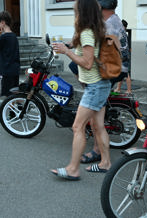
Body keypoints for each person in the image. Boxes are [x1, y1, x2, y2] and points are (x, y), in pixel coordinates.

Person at [51, 0, 111, 180]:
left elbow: (87, 63)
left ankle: (73, 169)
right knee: (98, 126)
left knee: (78, 126)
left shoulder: (86, 33)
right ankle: (106, 163)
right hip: (99, 85)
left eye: (75, 10)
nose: (74, 13)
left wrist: (66, 52)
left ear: (81, 12)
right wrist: (69, 47)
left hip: (95, 87)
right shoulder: (92, 30)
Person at [79, 0, 131, 164]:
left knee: (95, 114)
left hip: (112, 70)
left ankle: (97, 151)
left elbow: (98, 54)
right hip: (118, 68)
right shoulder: (114, 20)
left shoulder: (107, 25)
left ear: (100, 7)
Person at [0, 11, 20, 97]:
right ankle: (18, 109)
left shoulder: (3, 37)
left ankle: (12, 109)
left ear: (3, 23)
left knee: (8, 96)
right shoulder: (14, 36)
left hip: (7, 71)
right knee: (14, 94)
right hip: (15, 69)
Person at [112, 19, 132, 96]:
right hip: (124, 56)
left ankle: (129, 90)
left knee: (126, 74)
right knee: (122, 73)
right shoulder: (124, 35)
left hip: (122, 57)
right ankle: (118, 88)